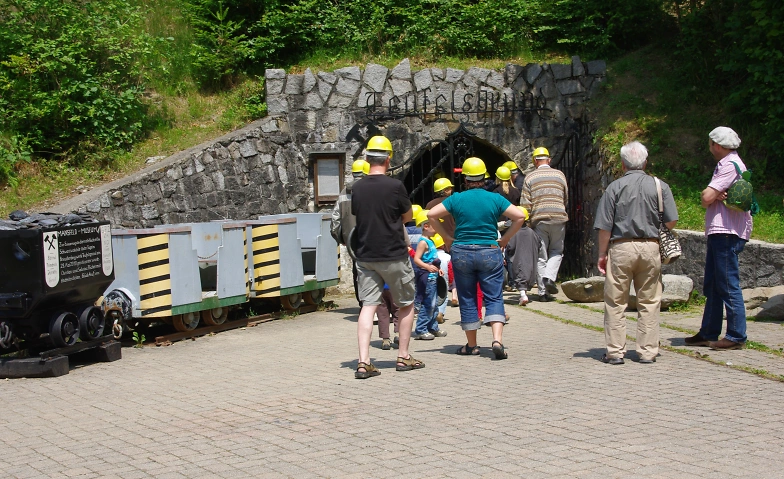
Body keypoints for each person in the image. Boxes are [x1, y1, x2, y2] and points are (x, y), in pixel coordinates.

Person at [429, 157, 526, 360]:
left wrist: (446, 237)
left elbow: (431, 215)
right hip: (489, 250)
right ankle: (497, 340)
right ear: (484, 178)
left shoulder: (457, 199)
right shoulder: (494, 198)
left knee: (467, 297)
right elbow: (519, 216)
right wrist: (505, 239)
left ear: (465, 179)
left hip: (462, 251)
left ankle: (472, 345)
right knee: (494, 296)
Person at [594, 142, 678, 365]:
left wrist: (602, 253)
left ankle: (615, 353)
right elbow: (671, 220)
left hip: (621, 247)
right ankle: (648, 352)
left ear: (623, 165)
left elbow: (605, 227)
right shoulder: (660, 186)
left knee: (615, 301)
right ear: (645, 162)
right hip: (650, 246)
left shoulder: (614, 188)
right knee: (649, 301)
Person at [351, 135, 424, 378]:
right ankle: (403, 356)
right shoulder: (396, 186)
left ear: (367, 159)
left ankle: (363, 362)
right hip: (394, 254)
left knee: (368, 306)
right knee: (406, 304)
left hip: (366, 255)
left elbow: (358, 214)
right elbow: (407, 217)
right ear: (388, 159)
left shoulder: (357, 188)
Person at [685, 127, 753, 351]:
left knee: (727, 284)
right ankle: (708, 332)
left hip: (726, 232)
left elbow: (706, 197)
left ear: (716, 145)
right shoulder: (731, 164)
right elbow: (709, 198)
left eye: (711, 143)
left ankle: (736, 335)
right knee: (714, 284)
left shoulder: (729, 165)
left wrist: (712, 196)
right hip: (722, 231)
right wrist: (713, 196)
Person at [521, 146, 568, 302]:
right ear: (549, 160)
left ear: (535, 161)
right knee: (557, 251)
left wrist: (527, 223)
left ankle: (542, 293)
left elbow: (525, 204)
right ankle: (549, 277)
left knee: (541, 256)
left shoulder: (530, 178)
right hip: (559, 218)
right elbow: (565, 197)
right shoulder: (560, 175)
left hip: (539, 220)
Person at [330, 158, 369, 307]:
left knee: (357, 270)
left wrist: (341, 238)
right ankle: (374, 304)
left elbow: (335, 220)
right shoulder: (369, 190)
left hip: (352, 240)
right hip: (370, 237)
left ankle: (362, 303)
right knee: (373, 270)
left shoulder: (343, 193)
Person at [412, 210, 447, 340]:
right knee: (428, 304)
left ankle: (433, 327)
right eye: (435, 224)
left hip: (434, 277)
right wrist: (427, 267)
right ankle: (421, 329)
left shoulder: (430, 240)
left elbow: (432, 259)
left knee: (434, 304)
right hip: (427, 278)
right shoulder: (423, 242)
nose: (438, 227)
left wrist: (438, 269)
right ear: (426, 226)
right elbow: (417, 259)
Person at [505, 207, 544, 306]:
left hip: (518, 259)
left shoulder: (513, 232)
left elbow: (510, 246)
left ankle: (523, 295)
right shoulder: (532, 232)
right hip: (531, 260)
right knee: (527, 276)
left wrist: (507, 253)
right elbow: (539, 244)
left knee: (519, 275)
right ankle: (524, 294)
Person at [432, 233, 451, 324]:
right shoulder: (448, 256)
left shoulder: (432, 255)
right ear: (443, 245)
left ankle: (433, 312)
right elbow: (451, 269)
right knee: (444, 296)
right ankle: (440, 312)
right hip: (445, 277)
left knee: (434, 295)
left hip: (433, 277)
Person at [376, 285, 399, 350]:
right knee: (398, 311)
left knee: (382, 314)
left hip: (379, 288)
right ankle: (398, 333)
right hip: (394, 286)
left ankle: (385, 340)